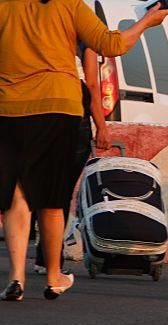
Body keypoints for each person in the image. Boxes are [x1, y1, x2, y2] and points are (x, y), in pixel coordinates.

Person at [0, 0, 168, 301]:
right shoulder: (70, 5)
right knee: (51, 199)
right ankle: (53, 276)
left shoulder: (2, 9)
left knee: (16, 196)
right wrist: (148, 21)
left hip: (8, 111)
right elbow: (111, 44)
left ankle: (16, 277)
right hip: (58, 110)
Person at [31, 44, 110, 274]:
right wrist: (102, 126)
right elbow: (92, 85)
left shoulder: (41, 32)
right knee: (60, 192)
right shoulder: (84, 41)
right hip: (74, 120)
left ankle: (42, 255)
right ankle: (50, 261)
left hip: (38, 116)